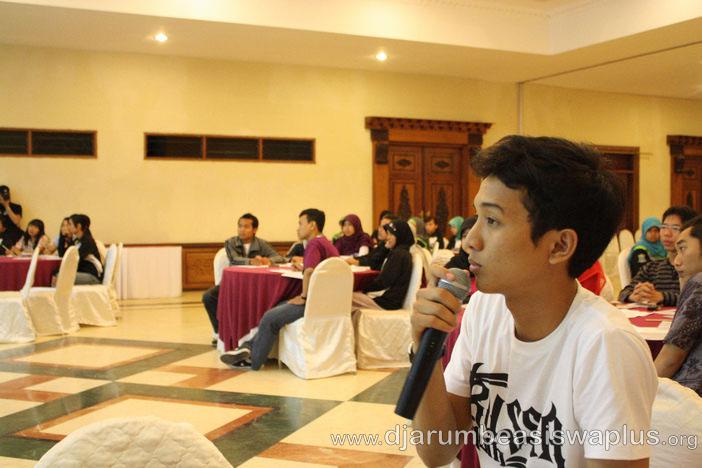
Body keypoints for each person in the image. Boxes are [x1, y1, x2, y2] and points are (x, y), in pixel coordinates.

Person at [411, 136, 656, 467]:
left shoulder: (605, 346)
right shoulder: (484, 310)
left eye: (492, 220)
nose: (470, 240)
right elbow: (437, 451)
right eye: (476, 217)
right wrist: (424, 350)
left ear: (559, 246)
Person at [220, 208, 339, 369]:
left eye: (300, 223)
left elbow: (310, 272)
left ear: (312, 225)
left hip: (314, 302)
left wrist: (304, 297)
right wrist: (303, 268)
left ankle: (253, 360)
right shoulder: (326, 243)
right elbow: (319, 269)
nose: (298, 228)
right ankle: (247, 348)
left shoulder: (313, 244)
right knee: (278, 306)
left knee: (270, 317)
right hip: (328, 301)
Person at [202, 213, 285, 345]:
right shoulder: (231, 242)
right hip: (232, 284)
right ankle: (220, 332)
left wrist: (268, 260)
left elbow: (279, 257)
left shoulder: (261, 244)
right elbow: (234, 260)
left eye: (246, 227)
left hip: (252, 286)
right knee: (208, 297)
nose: (242, 230)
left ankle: (254, 334)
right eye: (240, 226)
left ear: (254, 229)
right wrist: (251, 261)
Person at [654, 215, 702, 395]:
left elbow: (669, 360)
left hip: (692, 399)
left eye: (682, 249)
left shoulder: (700, 283)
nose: (676, 261)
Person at [619, 206, 697, 306]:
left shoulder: (695, 269)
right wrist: (634, 295)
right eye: (663, 227)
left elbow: (695, 299)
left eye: (675, 228)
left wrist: (663, 297)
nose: (667, 233)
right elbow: (624, 293)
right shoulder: (652, 267)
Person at [350, 220, 414, 310]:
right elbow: (376, 267)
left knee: (345, 297)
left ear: (399, 236)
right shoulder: (400, 252)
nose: (387, 237)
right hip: (387, 300)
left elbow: (384, 283)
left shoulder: (399, 255)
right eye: (388, 234)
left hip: (386, 303)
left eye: (391, 234)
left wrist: (364, 288)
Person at [431, 216, 477, 280]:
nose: (468, 240)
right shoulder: (456, 263)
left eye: (474, 235)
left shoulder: (490, 268)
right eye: (465, 236)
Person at [66, 214, 102, 285]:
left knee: (62, 276)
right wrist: (67, 238)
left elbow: (74, 260)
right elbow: (65, 255)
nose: (68, 227)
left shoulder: (87, 241)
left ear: (78, 226)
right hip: (84, 273)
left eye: (70, 224)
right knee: (59, 275)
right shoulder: (77, 240)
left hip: (92, 276)